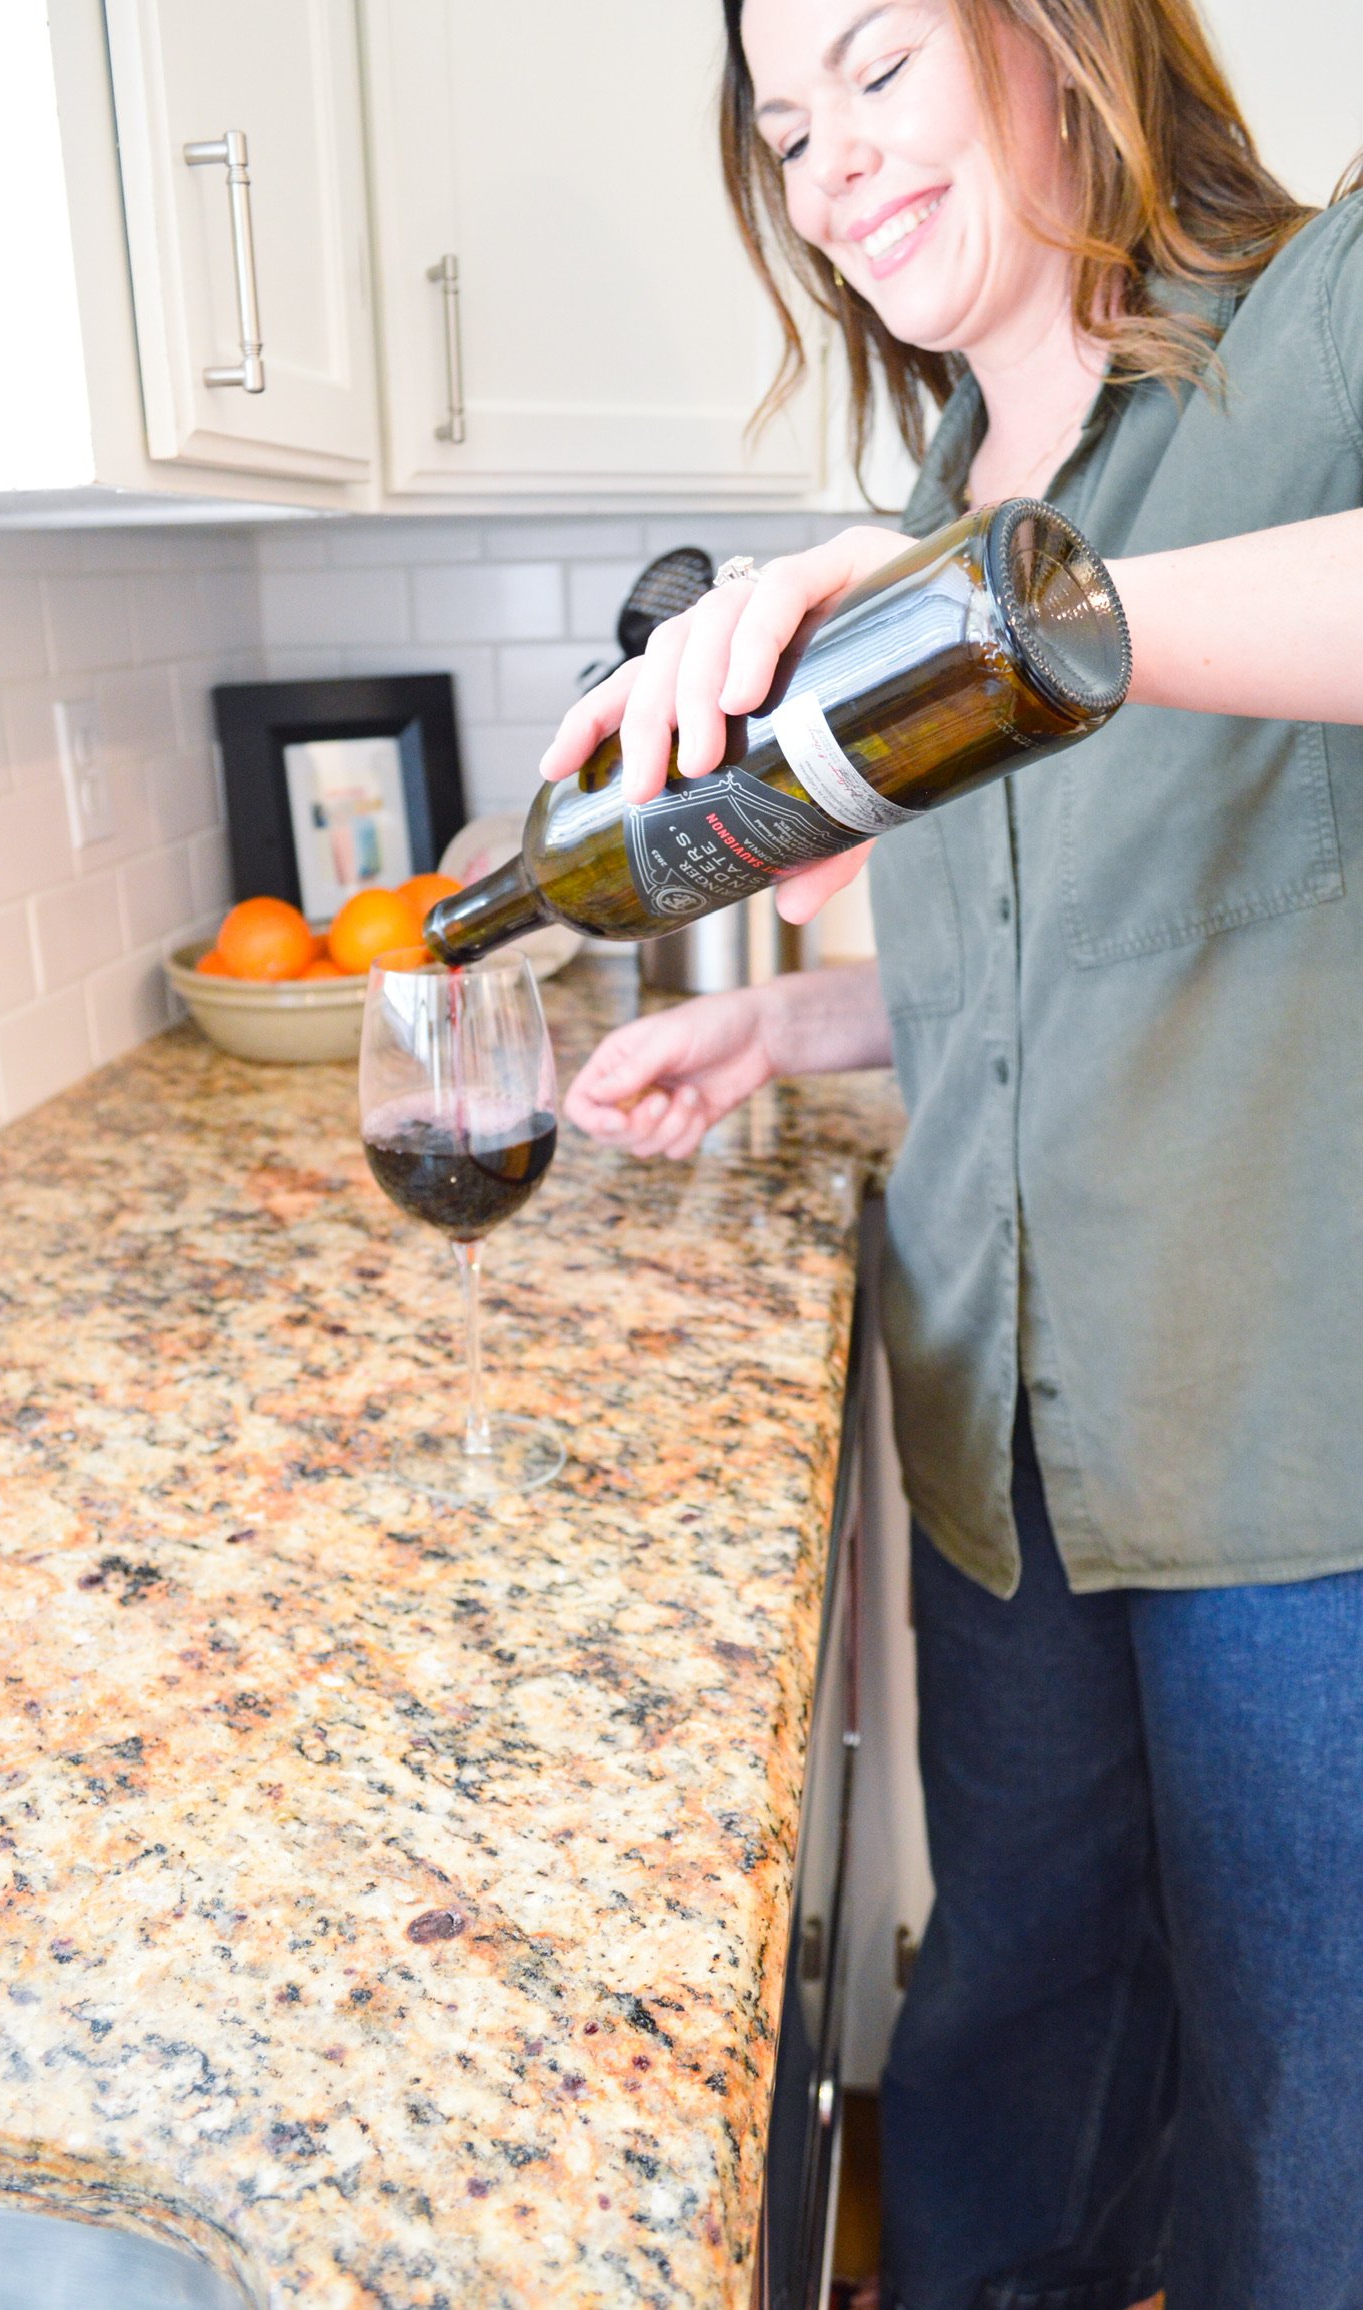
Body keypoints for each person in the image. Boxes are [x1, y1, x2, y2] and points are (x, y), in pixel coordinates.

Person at [538, 3, 1363, 2307]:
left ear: (1063, 40)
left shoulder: (1323, 329)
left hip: (1298, 1478)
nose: (823, 171)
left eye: (876, 71)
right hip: (1003, 1449)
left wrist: (1011, 621)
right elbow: (1070, 942)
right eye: (783, 129)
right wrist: (797, 1028)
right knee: (1014, 2056)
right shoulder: (919, 509)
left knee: (1313, 2151)